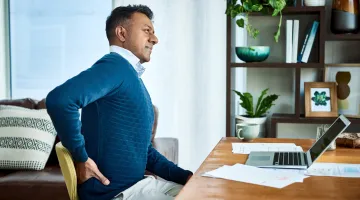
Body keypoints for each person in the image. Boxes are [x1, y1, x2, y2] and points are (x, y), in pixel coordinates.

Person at [46, 4, 192, 200]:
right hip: (118, 194)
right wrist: (81, 158)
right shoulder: (115, 67)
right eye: (147, 31)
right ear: (122, 33)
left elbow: (144, 151)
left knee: (209, 192)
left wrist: (187, 176)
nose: (155, 39)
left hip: (140, 186)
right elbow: (60, 100)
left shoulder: (130, 76)